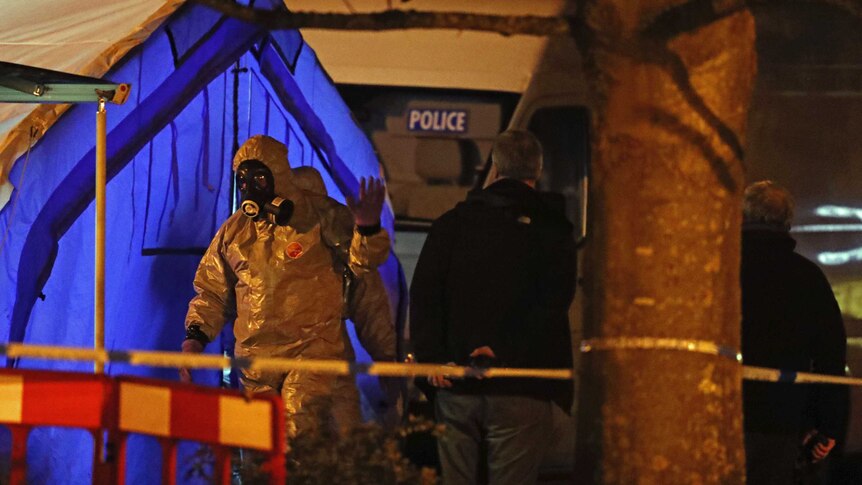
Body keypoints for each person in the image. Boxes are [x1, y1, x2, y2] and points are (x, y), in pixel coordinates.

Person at [180, 135, 390, 440]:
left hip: (313, 350)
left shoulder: (318, 216)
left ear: (278, 176)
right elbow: (213, 289)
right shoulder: (235, 232)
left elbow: (363, 265)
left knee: (299, 427)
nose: (250, 188)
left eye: (260, 179)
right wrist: (195, 336)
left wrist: (367, 228)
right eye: (244, 180)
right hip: (256, 363)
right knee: (259, 448)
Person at [410, 129, 575, 485]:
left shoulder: (451, 224)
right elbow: (553, 303)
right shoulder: (554, 231)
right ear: (538, 170)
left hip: (455, 381)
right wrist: (501, 349)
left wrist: (435, 359)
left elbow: (425, 296)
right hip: (522, 385)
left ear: (496, 168)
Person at [741, 180, 847, 485]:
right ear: (787, 223)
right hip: (781, 423)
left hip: (715, 414)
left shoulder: (718, 271)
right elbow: (830, 356)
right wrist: (828, 426)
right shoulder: (808, 278)